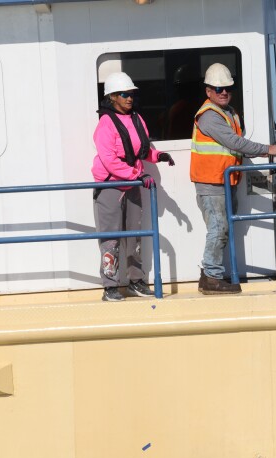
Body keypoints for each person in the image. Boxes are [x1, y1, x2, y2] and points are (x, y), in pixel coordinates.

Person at [190, 63, 276, 294]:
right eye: (218, 88)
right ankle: (211, 277)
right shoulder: (209, 117)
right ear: (208, 91)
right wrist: (267, 150)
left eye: (227, 88)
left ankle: (211, 276)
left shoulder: (229, 113)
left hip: (225, 181)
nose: (223, 92)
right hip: (211, 183)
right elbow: (235, 143)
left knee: (223, 229)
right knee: (218, 228)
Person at [92, 71, 175, 302]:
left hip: (133, 183)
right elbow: (109, 160)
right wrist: (136, 175)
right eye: (124, 94)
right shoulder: (105, 124)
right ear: (112, 97)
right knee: (111, 238)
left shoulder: (136, 118)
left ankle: (136, 281)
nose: (129, 98)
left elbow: (141, 150)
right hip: (111, 186)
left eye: (131, 94)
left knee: (135, 235)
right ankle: (110, 286)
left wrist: (158, 156)